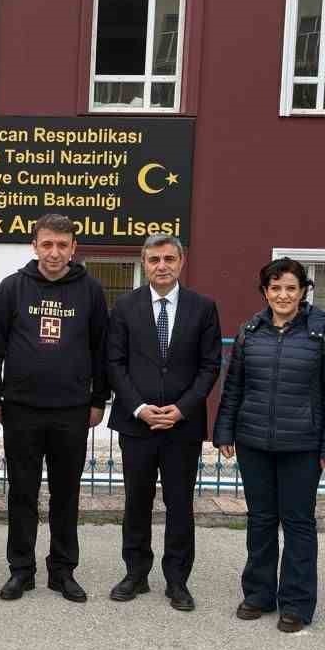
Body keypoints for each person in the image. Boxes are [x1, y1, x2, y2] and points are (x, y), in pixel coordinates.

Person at [212, 258, 325, 632]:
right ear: (265, 292)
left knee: (298, 523)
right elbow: (234, 386)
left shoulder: (324, 332)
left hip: (302, 445)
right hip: (254, 441)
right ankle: (258, 594)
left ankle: (297, 603)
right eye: (275, 288)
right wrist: (223, 431)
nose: (283, 295)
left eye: (291, 287)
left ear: (303, 291)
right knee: (260, 520)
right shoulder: (250, 332)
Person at [0, 213, 110, 603]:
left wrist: (97, 399)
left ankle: (62, 570)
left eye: (62, 245)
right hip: (21, 409)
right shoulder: (12, 288)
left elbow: (101, 349)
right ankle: (21, 570)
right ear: (34, 246)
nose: (54, 252)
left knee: (66, 493)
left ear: (74, 247)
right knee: (22, 492)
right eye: (47, 244)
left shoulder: (90, 290)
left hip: (71, 410)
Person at [104, 235, 222, 612]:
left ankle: (177, 581)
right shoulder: (125, 306)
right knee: (136, 502)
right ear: (143, 262)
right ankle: (135, 574)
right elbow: (114, 363)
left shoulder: (203, 308)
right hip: (136, 424)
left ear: (181, 262)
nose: (162, 265)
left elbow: (209, 366)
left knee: (179, 503)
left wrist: (182, 408)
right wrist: (138, 406)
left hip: (181, 427)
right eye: (154, 259)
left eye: (169, 258)